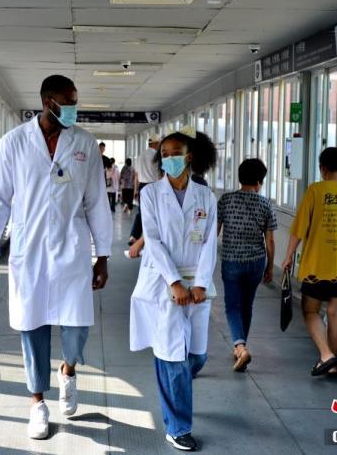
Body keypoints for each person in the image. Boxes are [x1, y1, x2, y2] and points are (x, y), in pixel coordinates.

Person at [0, 75, 113, 439]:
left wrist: (102, 255)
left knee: (78, 327)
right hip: (31, 250)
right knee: (32, 326)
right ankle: (37, 402)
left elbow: (97, 201)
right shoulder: (14, 142)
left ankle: (68, 370)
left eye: (75, 102)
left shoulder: (84, 143)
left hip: (72, 248)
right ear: (47, 102)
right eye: (67, 103)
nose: (73, 109)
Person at [130, 129, 217, 452]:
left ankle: (177, 390)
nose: (169, 158)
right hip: (163, 283)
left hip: (197, 285)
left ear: (189, 156)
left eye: (175, 152)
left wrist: (200, 283)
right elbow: (152, 240)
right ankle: (177, 427)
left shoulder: (205, 196)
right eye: (164, 154)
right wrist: (174, 282)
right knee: (172, 356)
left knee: (197, 354)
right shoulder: (151, 194)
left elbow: (209, 243)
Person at [281, 147, 337, 377]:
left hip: (318, 266)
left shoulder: (315, 191)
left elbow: (299, 230)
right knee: (335, 313)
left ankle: (327, 355)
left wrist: (288, 256)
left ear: (323, 168)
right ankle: (331, 363)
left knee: (310, 311)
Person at [217, 158, 277, 372]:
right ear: (259, 181)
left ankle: (240, 347)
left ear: (239, 178)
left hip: (231, 260)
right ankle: (240, 346)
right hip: (255, 262)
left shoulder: (226, 200)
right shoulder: (265, 204)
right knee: (247, 305)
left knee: (232, 305)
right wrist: (270, 266)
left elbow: (214, 231)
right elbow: (270, 240)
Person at [129, 133, 161, 245]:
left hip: (142, 186)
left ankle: (134, 236)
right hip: (154, 186)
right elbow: (160, 174)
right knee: (156, 213)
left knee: (142, 212)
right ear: (156, 143)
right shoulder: (157, 156)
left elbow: (136, 176)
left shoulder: (140, 156)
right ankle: (151, 238)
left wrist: (136, 190)